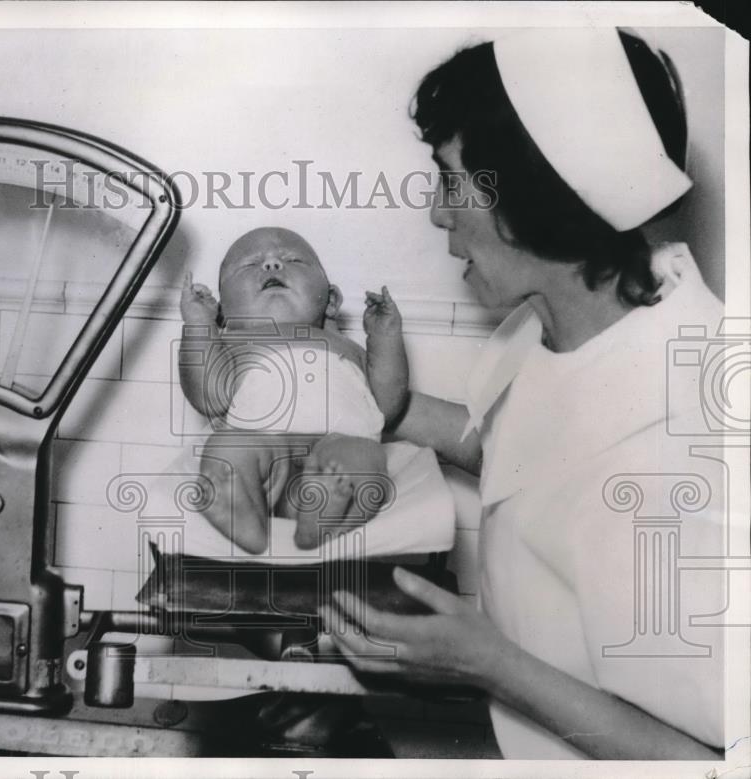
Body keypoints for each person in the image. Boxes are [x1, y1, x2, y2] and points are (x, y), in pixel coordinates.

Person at [321, 28, 727, 759]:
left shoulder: (687, 446)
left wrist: (489, 663)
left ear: (535, 191)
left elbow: (708, 763)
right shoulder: (552, 328)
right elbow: (532, 457)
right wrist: (397, 407)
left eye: (451, 179)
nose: (439, 212)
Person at [179, 226, 409, 552]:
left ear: (331, 301)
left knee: (366, 456)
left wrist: (385, 338)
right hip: (263, 451)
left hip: (338, 445)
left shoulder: (345, 345)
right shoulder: (232, 345)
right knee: (227, 445)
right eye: (250, 264)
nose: (272, 265)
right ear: (222, 312)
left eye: (293, 260)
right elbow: (206, 396)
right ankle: (242, 515)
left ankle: (315, 517)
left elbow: (387, 404)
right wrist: (199, 327)